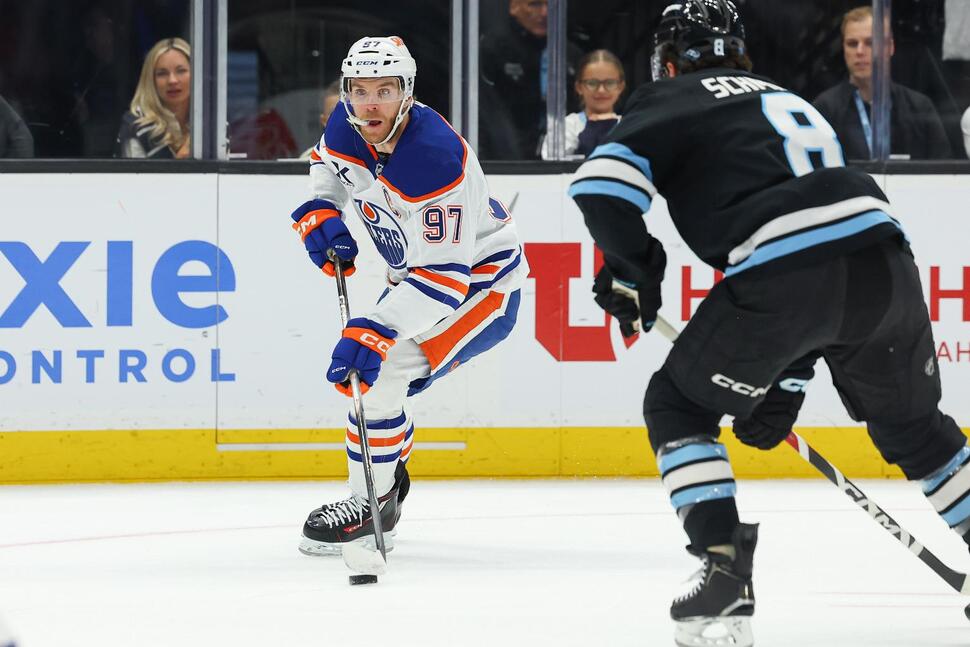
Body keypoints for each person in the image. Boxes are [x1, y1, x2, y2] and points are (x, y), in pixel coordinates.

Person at [568, 2, 970, 646]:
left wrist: (634, 271)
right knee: (919, 433)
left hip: (788, 273)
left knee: (676, 405)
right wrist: (784, 383)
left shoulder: (670, 97)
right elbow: (825, 253)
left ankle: (724, 570)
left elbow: (600, 185)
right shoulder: (791, 99)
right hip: (885, 263)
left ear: (668, 60)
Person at [290, 36, 527, 556]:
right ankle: (384, 485)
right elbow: (326, 164)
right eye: (359, 90)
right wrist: (322, 208)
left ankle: (371, 502)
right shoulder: (347, 123)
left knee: (383, 366)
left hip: (480, 284)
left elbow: (445, 282)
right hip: (417, 277)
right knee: (378, 375)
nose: (370, 103)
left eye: (384, 90)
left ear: (407, 92)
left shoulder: (434, 159)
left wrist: (376, 329)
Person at [812, 6, 950, 160]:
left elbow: (941, 167)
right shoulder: (825, 108)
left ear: (890, 47)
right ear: (843, 48)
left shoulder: (919, 107)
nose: (859, 51)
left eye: (870, 43)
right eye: (852, 43)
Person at [479, 0, 582, 159]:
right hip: (504, 154)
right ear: (514, 7)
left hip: (561, 152)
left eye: (551, 6)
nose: (545, 13)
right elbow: (482, 107)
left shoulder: (571, 54)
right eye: (534, 4)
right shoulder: (492, 49)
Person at [540, 49, 625, 160]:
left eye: (609, 83)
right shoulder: (565, 127)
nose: (601, 90)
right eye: (592, 83)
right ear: (579, 87)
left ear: (620, 87)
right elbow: (552, 165)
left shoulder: (629, 125)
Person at [115, 37, 191, 158]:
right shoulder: (135, 125)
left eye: (181, 71)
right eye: (162, 73)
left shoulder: (212, 122)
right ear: (150, 80)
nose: (172, 80)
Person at [299, 79, 341, 159]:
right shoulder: (309, 159)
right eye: (334, 113)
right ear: (324, 121)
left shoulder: (367, 157)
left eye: (349, 111)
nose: (342, 118)